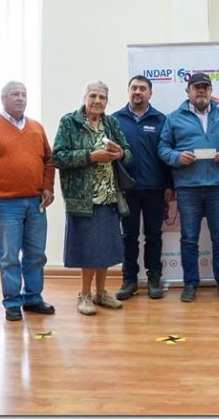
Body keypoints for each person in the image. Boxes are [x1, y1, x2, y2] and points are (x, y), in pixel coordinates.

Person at [0, 81, 56, 322]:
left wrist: (48, 187)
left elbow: (49, 160)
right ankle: (12, 302)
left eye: (24, 94)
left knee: (36, 254)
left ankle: (33, 298)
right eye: (15, 94)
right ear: (3, 98)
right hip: (5, 205)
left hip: (36, 203)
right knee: (9, 257)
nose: (20, 98)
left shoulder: (36, 127)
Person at [158, 72, 219, 302]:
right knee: (189, 239)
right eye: (197, 87)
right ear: (188, 91)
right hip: (188, 188)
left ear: (211, 91)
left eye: (205, 87)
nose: (201, 90)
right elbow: (163, 148)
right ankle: (190, 284)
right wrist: (177, 157)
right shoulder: (174, 118)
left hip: (218, 188)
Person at [52, 81, 131, 315]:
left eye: (102, 97)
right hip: (83, 198)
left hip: (109, 196)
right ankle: (84, 294)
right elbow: (58, 157)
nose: (97, 101)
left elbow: (128, 154)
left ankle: (101, 293)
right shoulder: (70, 122)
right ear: (85, 97)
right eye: (93, 96)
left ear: (107, 101)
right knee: (88, 249)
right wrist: (91, 156)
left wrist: (121, 153)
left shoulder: (112, 123)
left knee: (105, 248)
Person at [112, 75, 174, 300]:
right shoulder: (115, 120)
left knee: (154, 236)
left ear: (150, 93)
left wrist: (169, 184)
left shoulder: (160, 120)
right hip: (126, 189)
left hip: (155, 188)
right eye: (134, 88)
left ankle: (154, 278)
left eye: (142, 88)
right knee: (128, 236)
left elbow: (166, 153)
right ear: (128, 91)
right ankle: (129, 280)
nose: (137, 92)